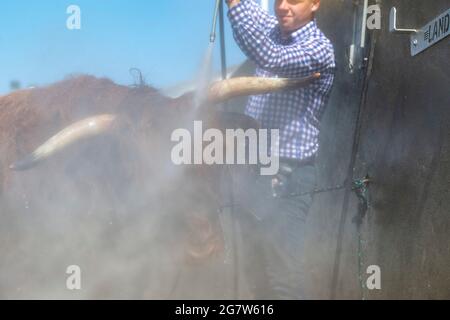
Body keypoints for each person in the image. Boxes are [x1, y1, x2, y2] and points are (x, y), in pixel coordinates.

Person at [225, 0, 335, 299]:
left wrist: (234, 6)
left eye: (294, 0)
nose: (283, 7)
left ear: (315, 4)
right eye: (278, 0)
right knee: (255, 266)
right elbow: (252, 15)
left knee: (284, 275)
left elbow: (270, 56)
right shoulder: (275, 30)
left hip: (289, 176)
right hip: (256, 174)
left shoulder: (318, 48)